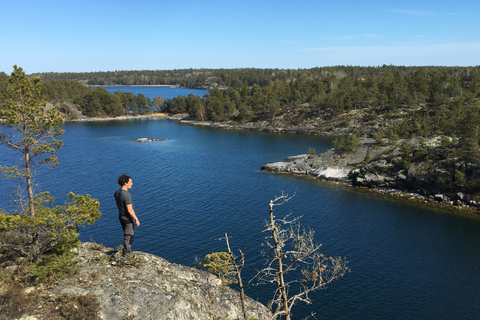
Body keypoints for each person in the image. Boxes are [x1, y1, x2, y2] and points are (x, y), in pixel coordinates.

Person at [114, 174, 140, 256]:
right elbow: (130, 210)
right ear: (125, 183)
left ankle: (127, 251)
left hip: (121, 216)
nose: (132, 184)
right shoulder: (127, 195)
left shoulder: (117, 193)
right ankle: (127, 253)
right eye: (130, 182)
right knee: (129, 235)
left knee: (128, 234)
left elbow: (118, 206)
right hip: (127, 218)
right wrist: (136, 219)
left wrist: (122, 213)